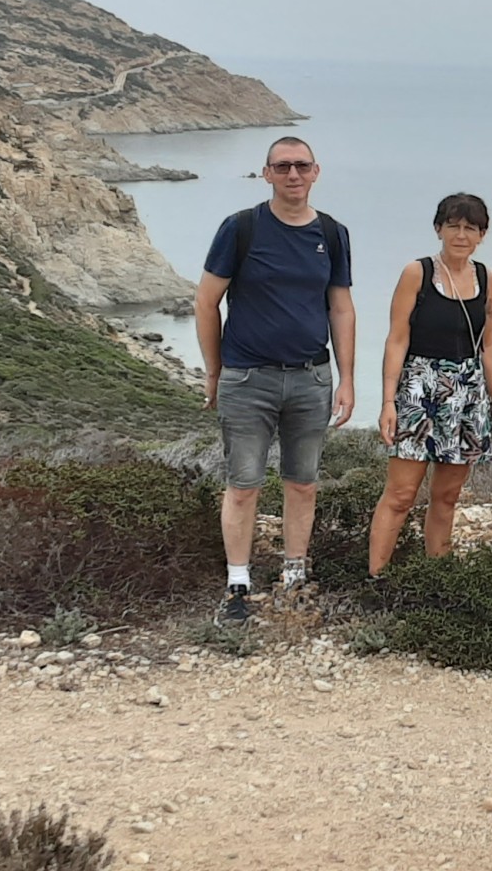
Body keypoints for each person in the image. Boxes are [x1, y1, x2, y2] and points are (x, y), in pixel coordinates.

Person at [196, 136, 355, 626]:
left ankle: (293, 581)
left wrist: (347, 379)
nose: (293, 175)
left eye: (301, 166)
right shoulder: (240, 228)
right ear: (266, 173)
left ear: (316, 172)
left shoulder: (332, 232)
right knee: (243, 486)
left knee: (302, 484)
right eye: (282, 166)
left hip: (310, 378)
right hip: (248, 379)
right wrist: (215, 371)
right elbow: (206, 301)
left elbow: (340, 306)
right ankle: (237, 587)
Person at [368, 194, 492, 574]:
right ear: (438, 229)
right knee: (400, 494)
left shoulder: (487, 279)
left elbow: (489, 346)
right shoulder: (418, 273)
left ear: (482, 234)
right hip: (420, 389)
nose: (461, 235)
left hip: (467, 392)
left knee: (446, 496)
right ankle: (376, 577)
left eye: (470, 228)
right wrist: (388, 401)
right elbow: (397, 338)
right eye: (453, 226)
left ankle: (437, 578)